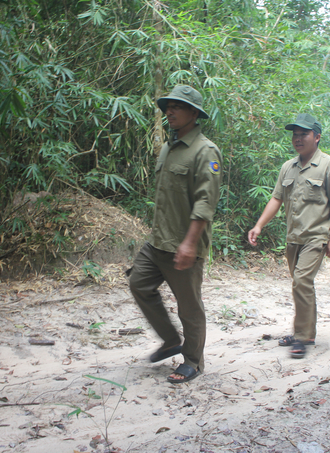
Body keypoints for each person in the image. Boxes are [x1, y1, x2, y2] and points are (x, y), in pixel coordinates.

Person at [128, 85, 222, 383]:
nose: (169, 111)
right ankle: (170, 340)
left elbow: (206, 202)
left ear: (194, 113)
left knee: (189, 307)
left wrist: (190, 242)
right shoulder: (169, 147)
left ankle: (193, 361)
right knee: (138, 283)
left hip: (184, 245)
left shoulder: (205, 151)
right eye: (167, 106)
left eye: (177, 106)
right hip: (158, 241)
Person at [248, 113, 330, 358]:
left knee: (301, 281)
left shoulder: (329, 165)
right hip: (294, 238)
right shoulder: (287, 167)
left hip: (317, 236)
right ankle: (307, 332)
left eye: (304, 134)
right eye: (295, 134)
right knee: (302, 284)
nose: (298, 138)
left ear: (317, 137)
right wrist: (259, 225)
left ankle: (302, 335)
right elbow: (276, 198)